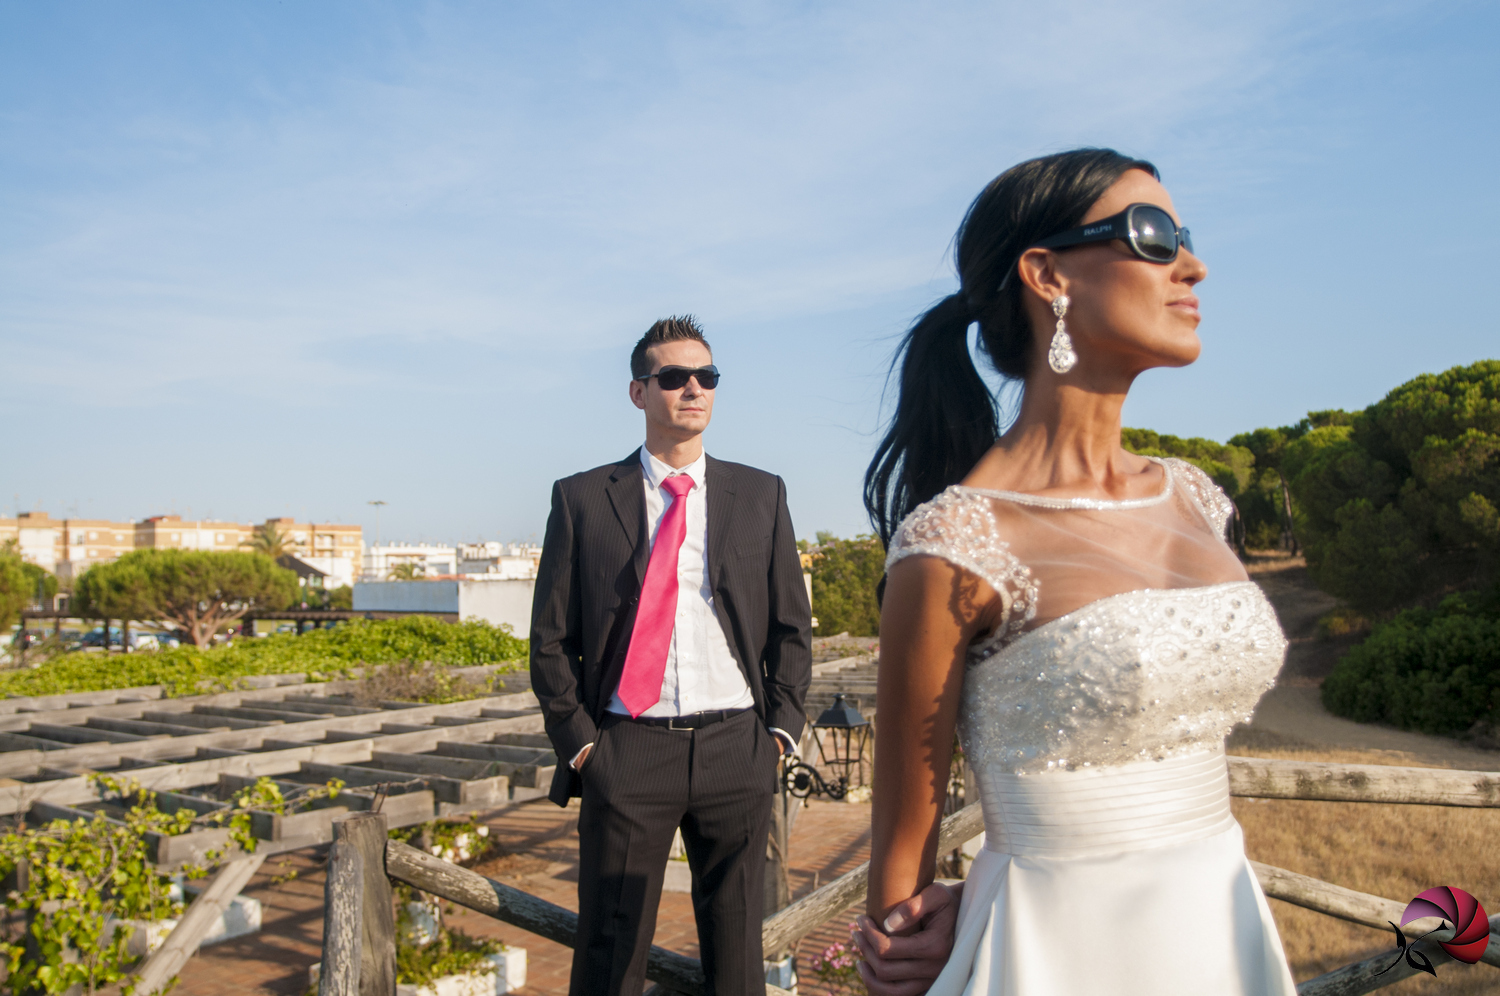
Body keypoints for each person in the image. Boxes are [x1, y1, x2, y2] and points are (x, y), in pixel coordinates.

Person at [850, 149, 1298, 995]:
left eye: (1185, 237)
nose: (1192, 265)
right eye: (1155, 235)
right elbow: (902, 846)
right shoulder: (952, 542)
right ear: (1046, 273)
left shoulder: (1199, 499)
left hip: (1220, 928)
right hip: (1053, 952)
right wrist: (910, 937)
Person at [529, 315, 812, 996]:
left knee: (738, 955)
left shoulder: (761, 493)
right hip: (627, 753)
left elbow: (791, 627)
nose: (693, 389)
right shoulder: (582, 499)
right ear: (638, 392)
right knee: (609, 957)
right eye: (674, 377)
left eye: (706, 377)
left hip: (737, 749)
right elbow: (550, 638)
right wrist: (584, 746)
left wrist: (778, 734)